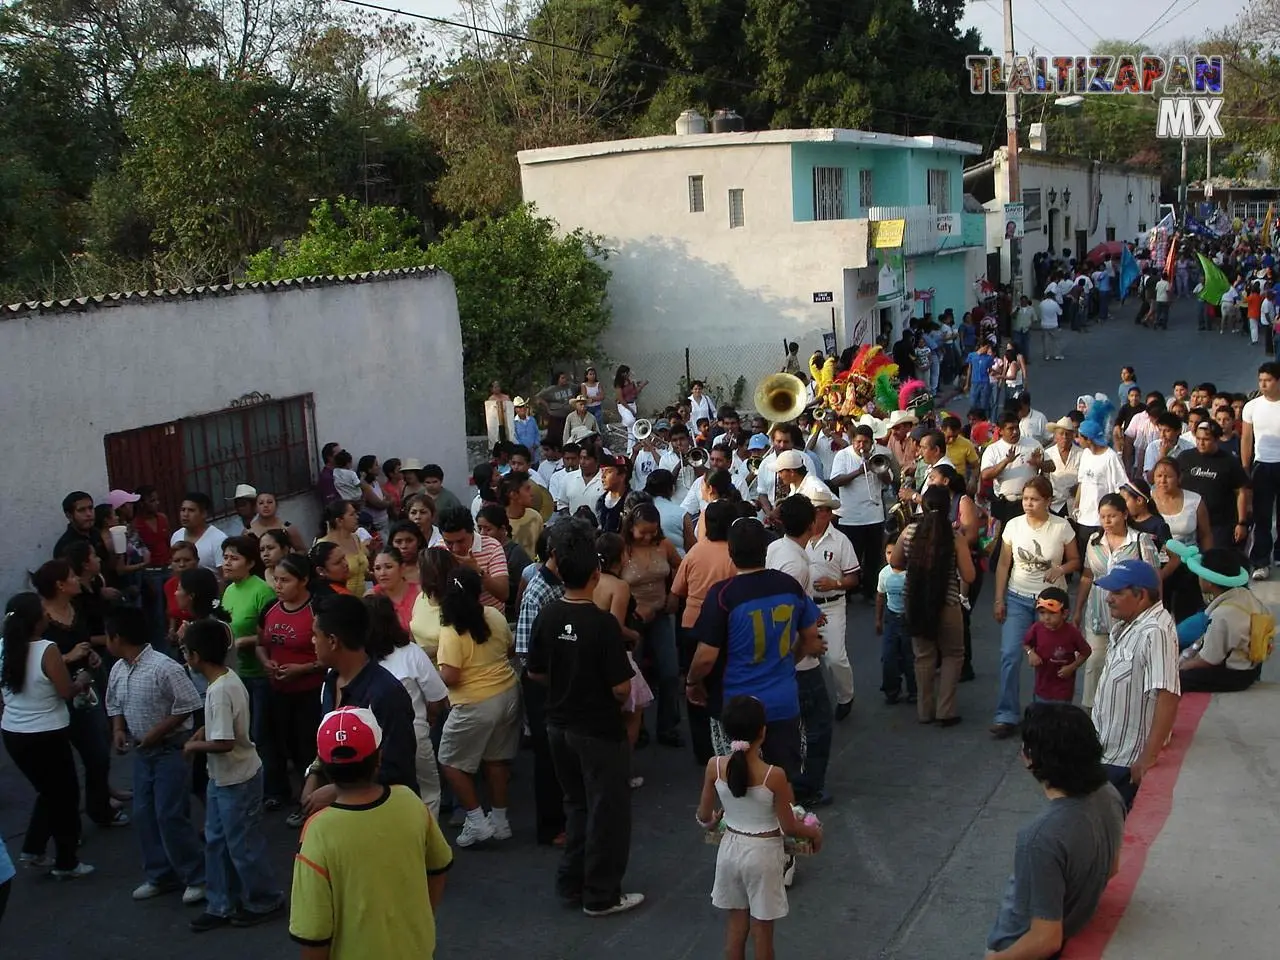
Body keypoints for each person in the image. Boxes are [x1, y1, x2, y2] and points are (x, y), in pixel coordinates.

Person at [686, 517, 823, 889]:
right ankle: (786, 854)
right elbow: (811, 637)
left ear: (731, 553)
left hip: (737, 708)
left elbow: (705, 657)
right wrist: (786, 663)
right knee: (783, 778)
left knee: (738, 780)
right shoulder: (789, 586)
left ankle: (743, 849)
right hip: (782, 701)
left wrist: (693, 683)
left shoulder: (723, 595)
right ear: (766, 549)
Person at [527, 522, 642, 917]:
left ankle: (571, 883)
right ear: (596, 575)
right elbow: (621, 689)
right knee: (608, 812)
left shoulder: (547, 615)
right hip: (597, 729)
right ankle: (601, 893)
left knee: (576, 806)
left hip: (558, 725)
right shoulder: (603, 624)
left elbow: (535, 671)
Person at [289, 707, 453, 960]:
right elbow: (439, 866)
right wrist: (421, 919)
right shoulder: (409, 802)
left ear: (325, 768)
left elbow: (314, 931)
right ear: (379, 758)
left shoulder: (318, 831)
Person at [985, 702, 1125, 959]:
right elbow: (1112, 868)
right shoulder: (1109, 794)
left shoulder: (1040, 838)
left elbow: (1045, 938)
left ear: (1031, 759)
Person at [695, 696, 823, 960]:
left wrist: (715, 819)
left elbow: (704, 816)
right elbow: (789, 826)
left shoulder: (714, 766)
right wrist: (815, 833)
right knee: (762, 932)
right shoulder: (773, 775)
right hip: (763, 855)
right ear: (763, 731)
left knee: (735, 926)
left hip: (730, 851)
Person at [180, 619, 284, 932]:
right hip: (225, 777)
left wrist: (194, 744)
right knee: (217, 840)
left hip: (236, 779)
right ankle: (221, 902)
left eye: (186, 650)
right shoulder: (227, 680)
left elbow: (225, 742)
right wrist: (203, 730)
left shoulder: (220, 690)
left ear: (196, 655)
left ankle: (265, 899)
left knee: (241, 844)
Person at [104, 606, 207, 904]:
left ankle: (196, 876)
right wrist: (118, 730)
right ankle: (161, 874)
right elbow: (115, 705)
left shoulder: (165, 667)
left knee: (169, 813)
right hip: (142, 752)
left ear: (118, 637)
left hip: (169, 749)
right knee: (144, 813)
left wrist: (157, 732)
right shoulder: (118, 669)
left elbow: (188, 705)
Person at [300, 594, 422, 819]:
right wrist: (315, 774)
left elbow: (397, 767)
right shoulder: (330, 682)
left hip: (384, 817)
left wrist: (336, 791)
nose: (312, 642)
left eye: (315, 635)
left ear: (334, 641)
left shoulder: (386, 693)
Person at [1, 592, 96, 879]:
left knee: (49, 791)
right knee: (64, 795)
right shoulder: (47, 649)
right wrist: (82, 680)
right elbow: (65, 691)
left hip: (14, 733)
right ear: (34, 621)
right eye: (42, 612)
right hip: (47, 733)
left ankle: (34, 848)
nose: (47, 615)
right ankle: (66, 862)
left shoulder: (4, 646)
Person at [435, 566, 521, 847]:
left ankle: (477, 821)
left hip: (474, 703)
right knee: (496, 760)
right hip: (508, 693)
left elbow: (451, 676)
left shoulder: (450, 630)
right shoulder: (495, 616)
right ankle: (500, 820)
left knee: (450, 761)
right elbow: (509, 649)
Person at [991, 477, 1080, 739]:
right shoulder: (1013, 526)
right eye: (1025, 499)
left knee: (1050, 661)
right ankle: (1006, 714)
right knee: (1010, 654)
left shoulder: (1061, 527)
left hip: (1051, 604)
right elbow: (1003, 565)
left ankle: (1042, 716)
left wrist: (1060, 569)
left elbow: (1076, 560)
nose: (1028, 504)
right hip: (1017, 597)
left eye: (1034, 499)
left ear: (1048, 501)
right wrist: (999, 599)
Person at [1089, 560, 1181, 812]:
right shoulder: (1133, 623)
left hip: (1123, 762)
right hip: (1108, 753)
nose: (1108, 599)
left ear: (1140, 595)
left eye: (1117, 593)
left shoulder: (1155, 632)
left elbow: (1168, 695)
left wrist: (1147, 758)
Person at [891, 486, 976, 727]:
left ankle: (924, 710)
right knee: (953, 654)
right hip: (948, 602)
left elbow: (896, 561)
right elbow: (969, 576)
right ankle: (945, 710)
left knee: (923, 656)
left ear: (923, 506)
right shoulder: (954, 537)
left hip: (915, 601)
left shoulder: (909, 532)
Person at [363, 594, 449, 816]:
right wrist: (428, 719)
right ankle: (427, 841)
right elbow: (438, 697)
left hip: (368, 741)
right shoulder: (411, 652)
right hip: (414, 732)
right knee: (428, 792)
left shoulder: (355, 660)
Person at [1074, 495, 1161, 711]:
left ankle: (1122, 710)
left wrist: (1156, 612)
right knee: (1094, 663)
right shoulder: (1094, 541)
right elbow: (1087, 576)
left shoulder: (1141, 541)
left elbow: (1154, 579)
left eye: (1112, 516)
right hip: (1097, 612)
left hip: (1131, 615)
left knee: (1125, 665)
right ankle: (1091, 712)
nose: (1107, 521)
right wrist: (1078, 609)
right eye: (1103, 517)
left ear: (1124, 515)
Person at [1177, 547, 1268, 692]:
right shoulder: (1244, 594)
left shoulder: (1222, 615)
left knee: (1178, 679)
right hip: (1253, 666)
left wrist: (1181, 667)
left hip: (1237, 673)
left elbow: (1208, 660)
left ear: (1209, 581)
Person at [1241, 362, 1280, 579]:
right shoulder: (1252, 407)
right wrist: (1245, 468)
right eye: (1260, 380)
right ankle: (1261, 561)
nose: (1263, 385)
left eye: (1268, 380)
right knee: (1262, 515)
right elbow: (1247, 439)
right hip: (1262, 464)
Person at [1022, 587, 1090, 705]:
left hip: (1063, 690)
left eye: (1052, 613)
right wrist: (1030, 653)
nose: (1046, 618)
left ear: (1064, 613)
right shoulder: (1037, 628)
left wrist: (1072, 667)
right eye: (1042, 613)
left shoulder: (1072, 633)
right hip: (1042, 688)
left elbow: (1086, 651)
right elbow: (1026, 643)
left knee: (1060, 720)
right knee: (1040, 718)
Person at [168, 492, 227, 571]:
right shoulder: (177, 536)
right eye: (183, 510)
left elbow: (225, 575)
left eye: (191, 510)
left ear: (204, 514)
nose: (185, 514)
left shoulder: (219, 539)